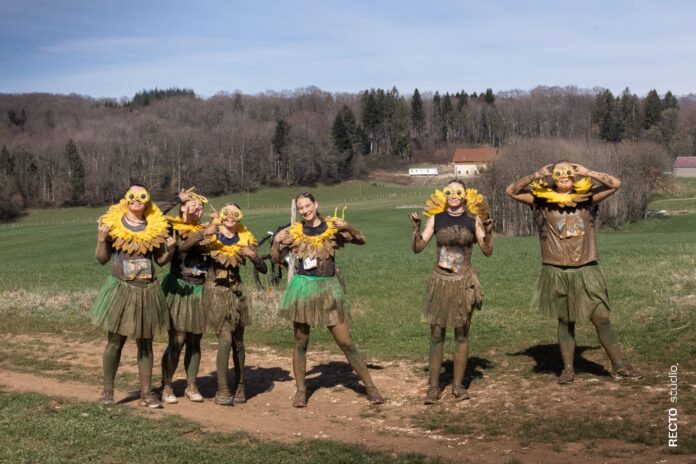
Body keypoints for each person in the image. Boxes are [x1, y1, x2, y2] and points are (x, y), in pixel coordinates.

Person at [505, 161, 641, 384]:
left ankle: (620, 366)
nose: (563, 175)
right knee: (565, 320)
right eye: (558, 172)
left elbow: (615, 184)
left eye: (568, 171)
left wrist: (588, 172)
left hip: (587, 268)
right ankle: (568, 369)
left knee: (601, 317)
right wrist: (536, 175)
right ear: (552, 177)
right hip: (557, 270)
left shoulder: (587, 198)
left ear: (574, 175)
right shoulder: (540, 200)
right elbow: (511, 191)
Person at [271, 192, 384, 408]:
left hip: (329, 288)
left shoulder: (332, 228)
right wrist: (276, 243)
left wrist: (348, 226)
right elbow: (276, 259)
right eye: (301, 207)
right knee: (301, 341)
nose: (305, 210)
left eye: (308, 205)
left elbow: (361, 240)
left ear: (316, 204)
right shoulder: (294, 232)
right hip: (303, 288)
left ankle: (370, 387)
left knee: (346, 341)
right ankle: (301, 391)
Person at [410, 180, 493, 403]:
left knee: (461, 335)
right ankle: (433, 387)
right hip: (441, 282)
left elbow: (487, 251)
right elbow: (418, 248)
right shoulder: (436, 218)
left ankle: (458, 386)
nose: (453, 195)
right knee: (437, 335)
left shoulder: (473, 220)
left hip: (464, 283)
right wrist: (416, 230)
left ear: (465, 196)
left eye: (458, 191)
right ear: (445, 195)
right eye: (449, 191)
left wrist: (489, 232)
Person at [92, 184, 174, 408]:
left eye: (142, 195)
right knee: (115, 342)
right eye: (133, 195)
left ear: (147, 200)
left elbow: (160, 261)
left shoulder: (155, 225)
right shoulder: (113, 223)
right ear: (125, 199)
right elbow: (102, 259)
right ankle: (107, 392)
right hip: (122, 289)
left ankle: (146, 394)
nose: (137, 199)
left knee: (145, 343)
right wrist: (101, 239)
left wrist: (170, 249)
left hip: (147, 290)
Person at [202, 203, 267, 405]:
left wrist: (253, 256)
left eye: (235, 213)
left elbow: (263, 269)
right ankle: (222, 389)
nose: (230, 216)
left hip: (237, 292)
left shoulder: (246, 238)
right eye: (226, 213)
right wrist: (207, 231)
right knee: (225, 338)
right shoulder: (211, 234)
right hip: (215, 292)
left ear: (240, 216)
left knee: (238, 342)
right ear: (221, 215)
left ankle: (240, 385)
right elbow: (196, 249)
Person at [160, 190, 209, 404]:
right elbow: (153, 218)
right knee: (177, 339)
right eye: (192, 205)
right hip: (179, 288)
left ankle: (191, 385)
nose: (198, 209)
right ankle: (166, 385)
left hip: (200, 289)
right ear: (182, 207)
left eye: (201, 206)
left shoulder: (205, 229)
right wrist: (175, 200)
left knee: (195, 340)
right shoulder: (173, 226)